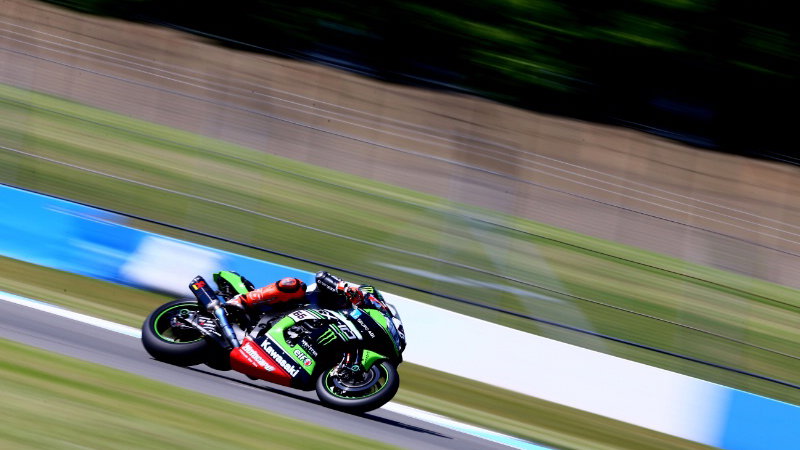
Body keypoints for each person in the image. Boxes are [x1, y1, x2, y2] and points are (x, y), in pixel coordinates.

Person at [223, 270, 389, 320]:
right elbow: (321, 275)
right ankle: (242, 299)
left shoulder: (348, 320)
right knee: (294, 285)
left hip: (284, 323)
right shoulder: (340, 297)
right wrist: (345, 288)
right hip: (284, 305)